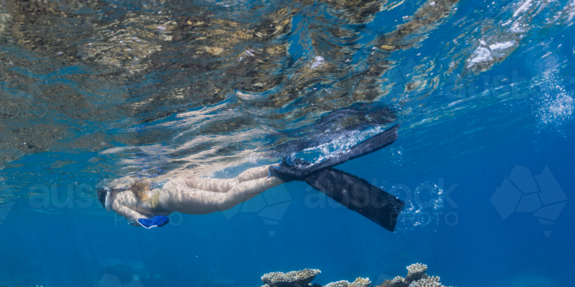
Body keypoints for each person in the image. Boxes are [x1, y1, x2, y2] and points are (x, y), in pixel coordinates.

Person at [97, 125, 404, 231]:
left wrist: (147, 223)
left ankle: (284, 175)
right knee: (233, 183)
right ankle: (275, 166)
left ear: (105, 197)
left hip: (170, 198)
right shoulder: (127, 184)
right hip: (176, 183)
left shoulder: (114, 202)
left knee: (228, 200)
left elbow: (138, 218)